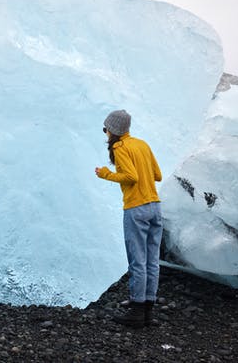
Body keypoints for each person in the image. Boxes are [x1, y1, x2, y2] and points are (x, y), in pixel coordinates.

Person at [95, 109, 163, 328]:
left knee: (138, 260)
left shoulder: (119, 147)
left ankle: (136, 311)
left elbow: (130, 177)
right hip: (155, 206)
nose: (105, 133)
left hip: (136, 208)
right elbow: (157, 175)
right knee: (153, 261)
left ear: (113, 130)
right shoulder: (142, 144)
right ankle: (148, 312)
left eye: (106, 129)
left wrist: (106, 174)